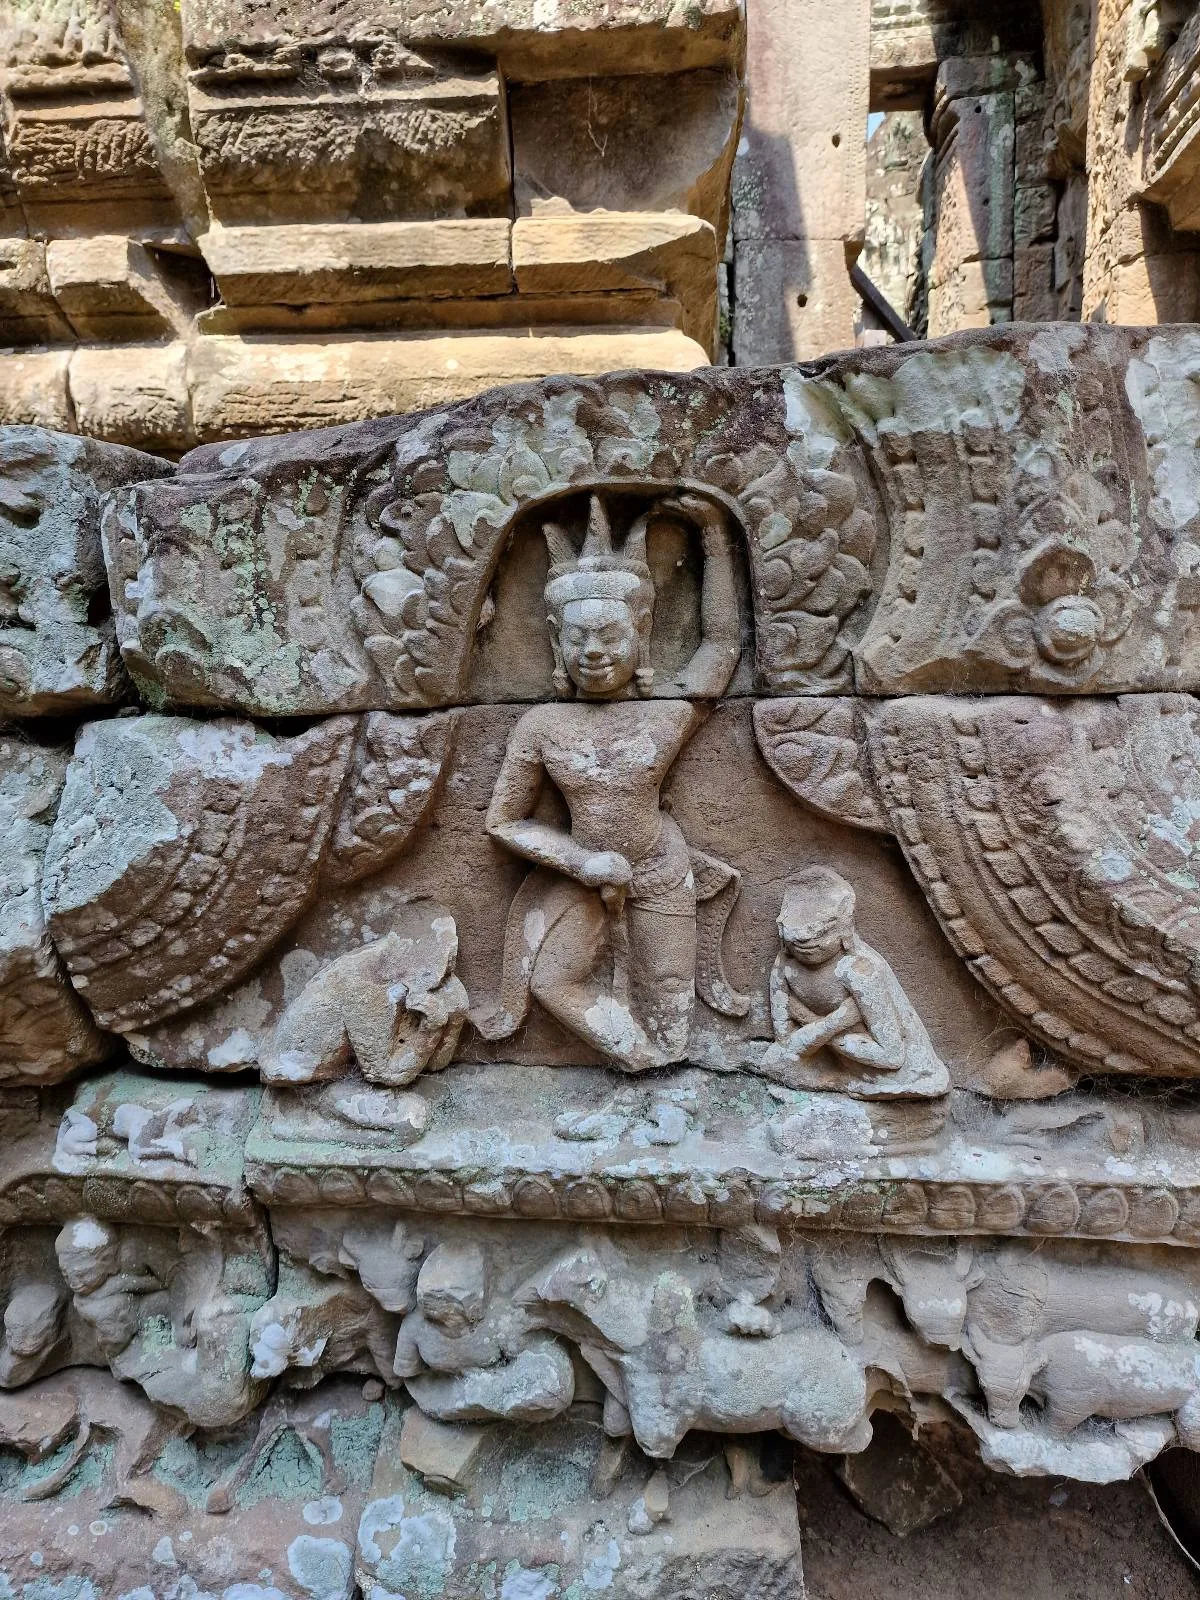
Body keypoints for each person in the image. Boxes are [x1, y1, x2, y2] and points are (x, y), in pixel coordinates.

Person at [473, 492, 743, 1071]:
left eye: (611, 637)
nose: (594, 652)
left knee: (668, 1006)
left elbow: (721, 646)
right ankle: (636, 1064)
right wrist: (580, 863)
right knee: (552, 981)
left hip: (661, 872)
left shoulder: (665, 716)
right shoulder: (542, 725)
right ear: (556, 639)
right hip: (582, 874)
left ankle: (659, 1077)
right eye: (578, 639)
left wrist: (716, 540)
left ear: (641, 634)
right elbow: (502, 821)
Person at [762, 866, 949, 1098]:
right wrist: (838, 1020)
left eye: (819, 937)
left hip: (888, 1070)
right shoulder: (786, 966)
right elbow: (786, 1042)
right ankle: (835, 1075)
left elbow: (892, 1056)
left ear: (844, 930)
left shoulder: (859, 970)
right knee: (774, 1061)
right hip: (829, 1054)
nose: (804, 947)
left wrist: (812, 1023)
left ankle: (843, 1078)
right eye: (794, 943)